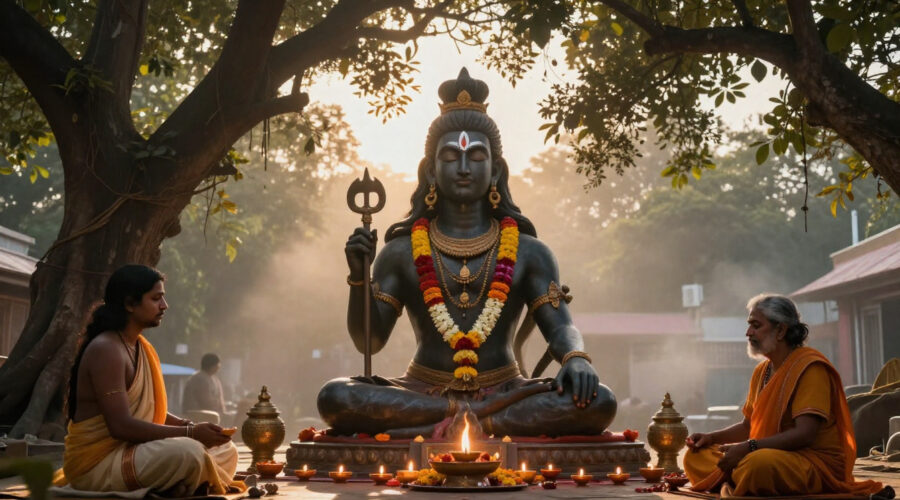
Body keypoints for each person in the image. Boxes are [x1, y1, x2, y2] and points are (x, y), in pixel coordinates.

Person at [317, 68, 616, 438]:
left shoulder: (529, 251)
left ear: (495, 171)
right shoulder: (401, 251)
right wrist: (358, 278)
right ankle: (473, 418)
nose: (462, 168)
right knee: (336, 396)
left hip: (507, 391)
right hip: (422, 390)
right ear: (429, 171)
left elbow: (562, 326)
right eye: (449, 157)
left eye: (476, 156)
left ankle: (458, 421)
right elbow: (369, 342)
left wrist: (575, 357)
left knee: (598, 400)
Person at [53, 265, 243, 496]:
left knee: (226, 449)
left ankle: (175, 486)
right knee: (189, 452)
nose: (164, 306)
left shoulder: (140, 347)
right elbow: (121, 426)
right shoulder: (107, 349)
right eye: (156, 299)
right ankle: (180, 484)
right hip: (97, 464)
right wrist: (192, 435)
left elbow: (150, 410)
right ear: (130, 304)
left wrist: (189, 426)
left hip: (134, 452)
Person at [683, 294, 884, 497]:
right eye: (749, 325)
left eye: (756, 325)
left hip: (810, 463)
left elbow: (805, 434)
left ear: (780, 330)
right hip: (767, 455)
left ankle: (738, 475)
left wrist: (748, 448)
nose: (748, 332)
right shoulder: (762, 371)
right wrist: (711, 437)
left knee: (757, 465)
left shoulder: (810, 368)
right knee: (695, 457)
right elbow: (748, 426)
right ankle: (739, 475)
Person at [182, 353, 227, 420]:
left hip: (208, 416)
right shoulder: (199, 378)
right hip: (198, 417)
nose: (219, 367)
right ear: (213, 366)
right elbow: (206, 402)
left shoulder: (213, 378)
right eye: (218, 364)